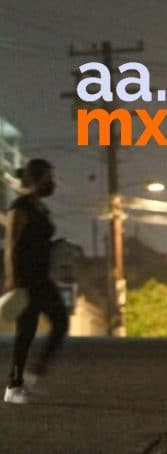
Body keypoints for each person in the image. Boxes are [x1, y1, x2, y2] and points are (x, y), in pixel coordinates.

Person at [4, 158, 69, 405]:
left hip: (43, 277)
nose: (52, 183)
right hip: (26, 278)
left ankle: (32, 376)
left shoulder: (41, 208)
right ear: (37, 179)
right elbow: (11, 245)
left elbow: (42, 242)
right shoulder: (19, 207)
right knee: (26, 331)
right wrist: (12, 279)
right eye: (49, 178)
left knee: (61, 322)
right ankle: (14, 386)